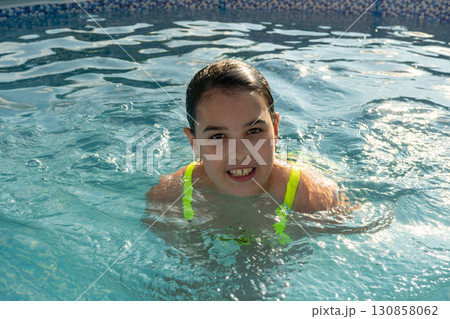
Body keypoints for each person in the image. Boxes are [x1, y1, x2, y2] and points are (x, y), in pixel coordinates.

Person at [146, 59, 340, 244]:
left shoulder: (312, 196)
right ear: (194, 142)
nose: (240, 153)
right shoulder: (169, 198)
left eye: (254, 131)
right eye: (218, 136)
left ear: (276, 129)